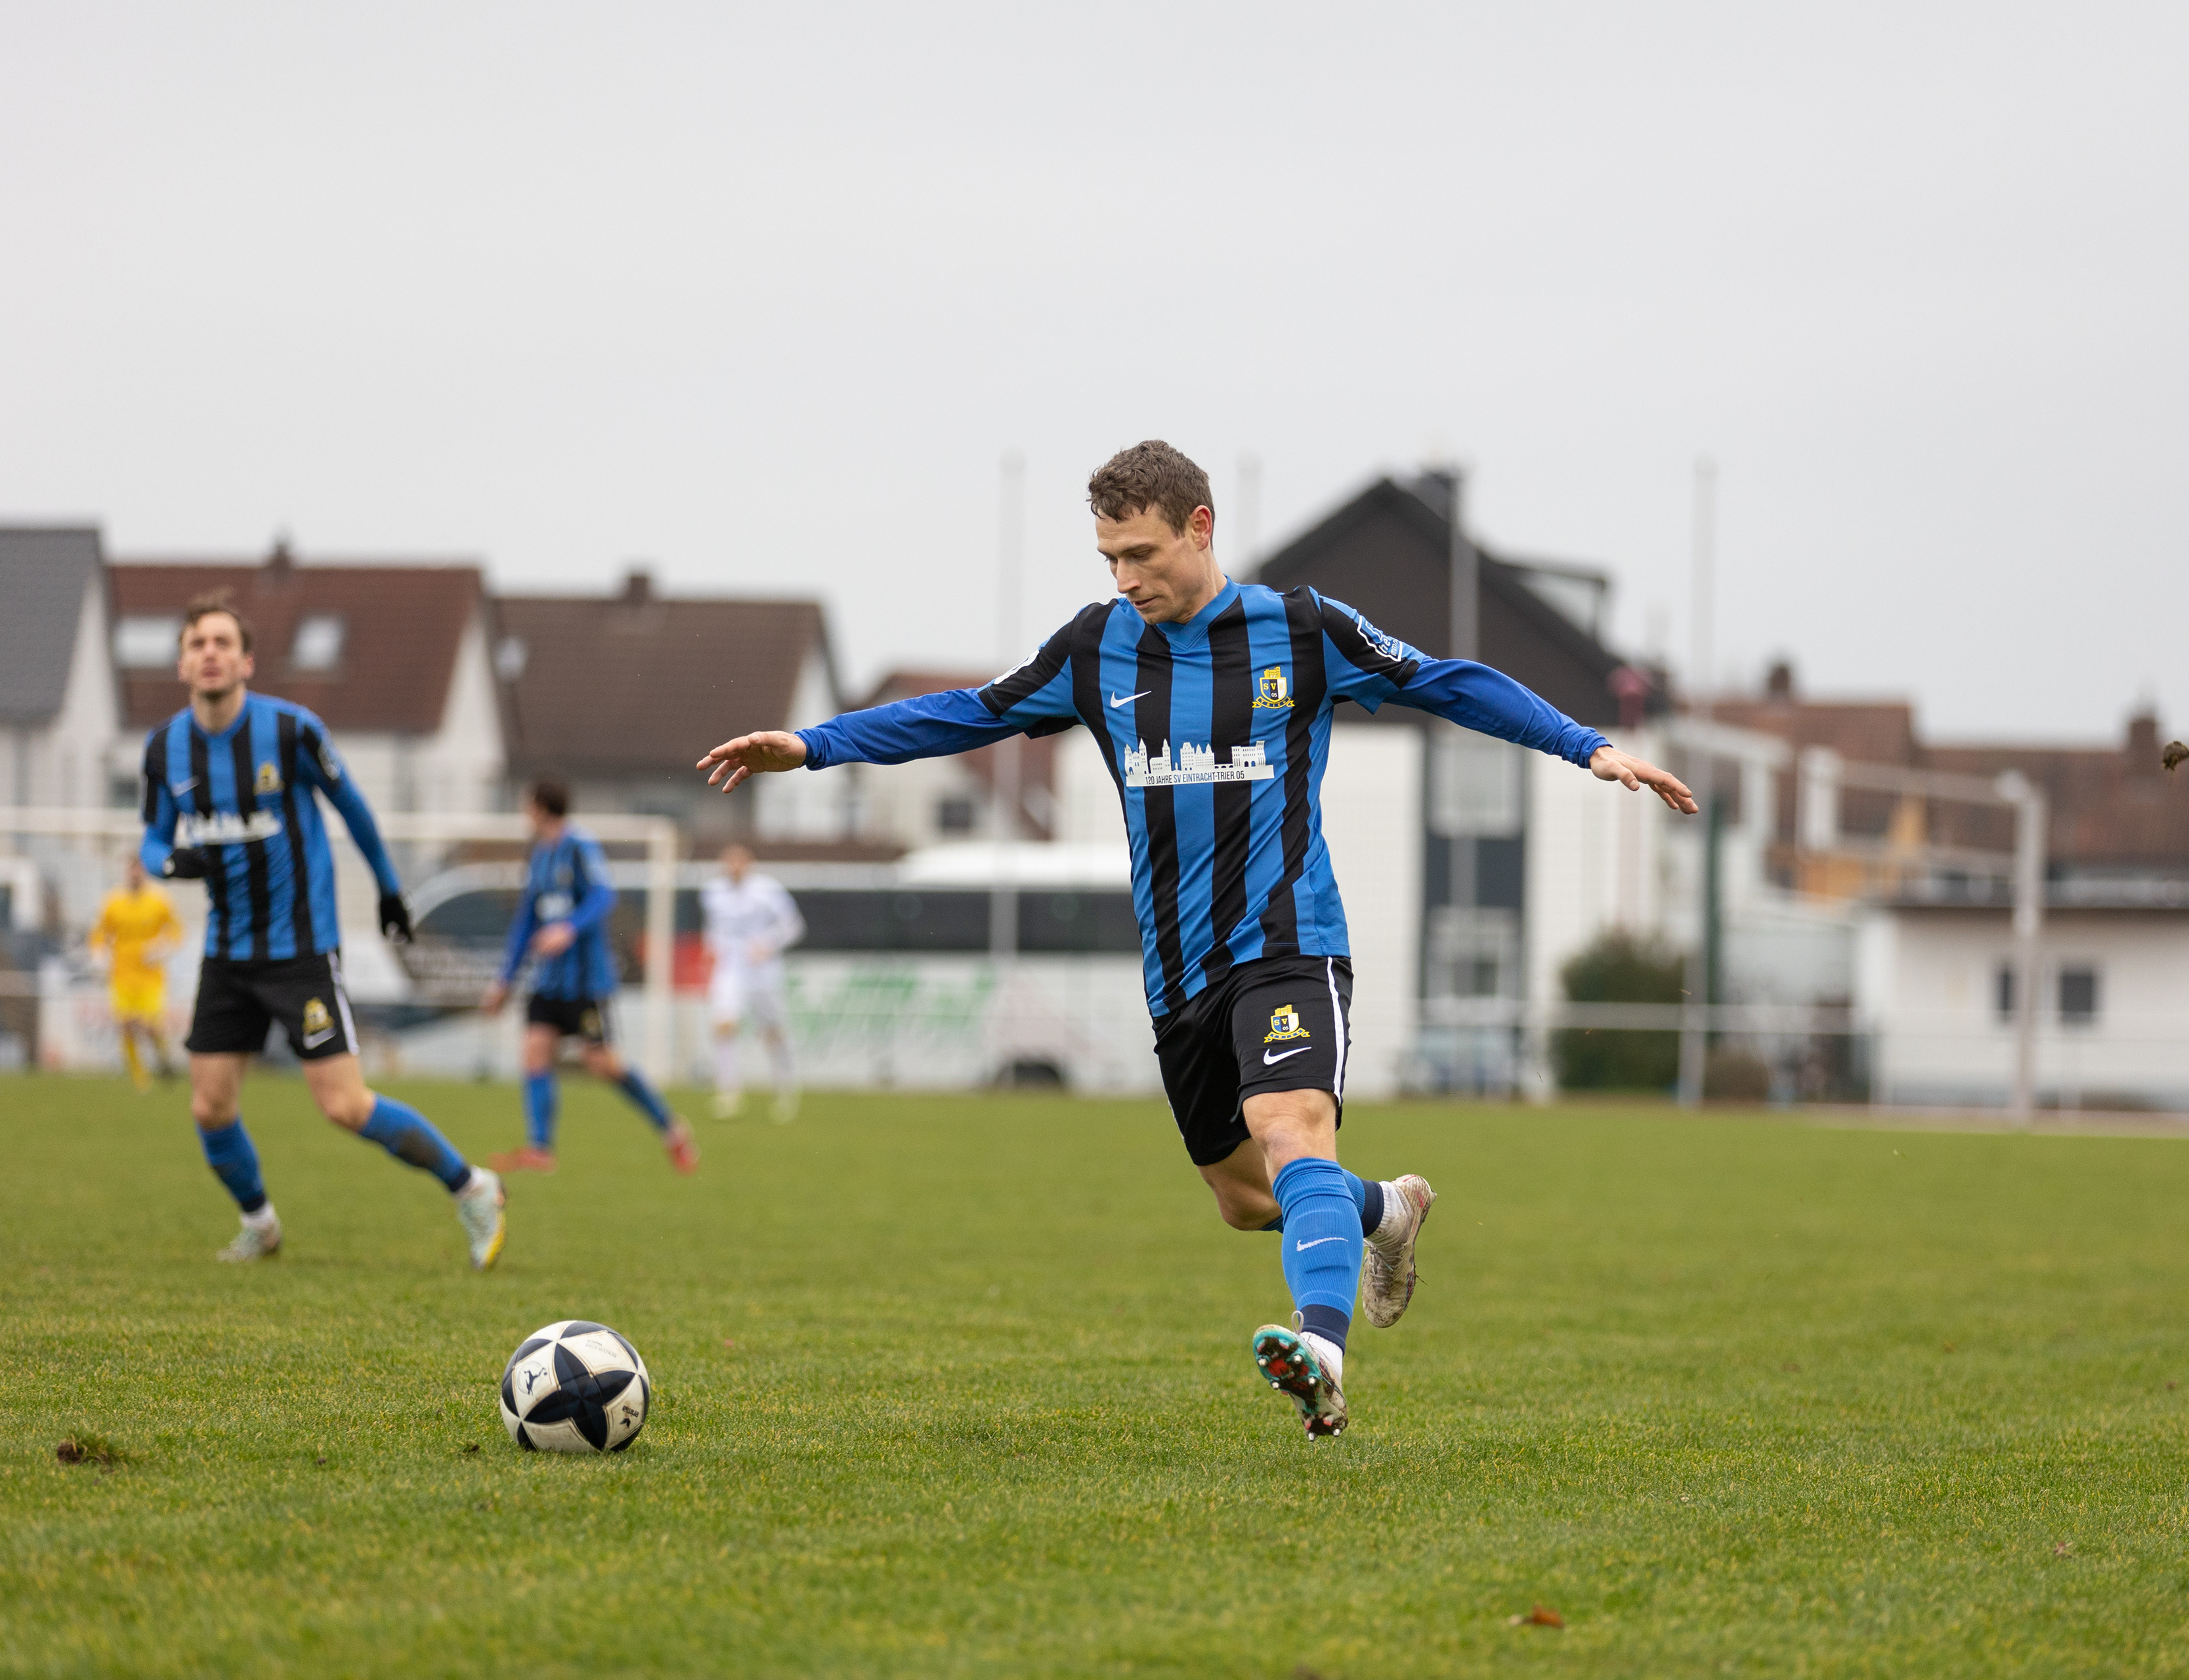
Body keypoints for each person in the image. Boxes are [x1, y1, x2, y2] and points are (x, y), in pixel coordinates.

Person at [700, 440, 1697, 1438]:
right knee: (1242, 1196)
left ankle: (1322, 1352)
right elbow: (970, 714)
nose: (1126, 579)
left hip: (1288, 941)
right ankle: (1384, 1212)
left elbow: (1447, 683)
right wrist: (813, 745)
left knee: (1291, 1129)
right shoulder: (1095, 652)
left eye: (1142, 553)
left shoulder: (1302, 632)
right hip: (1178, 974)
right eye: (1109, 560)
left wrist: (1592, 747)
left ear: (1200, 528)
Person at [139, 592, 505, 1267]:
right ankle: (262, 1224)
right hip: (227, 954)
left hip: (301, 951)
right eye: (198, 644)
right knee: (210, 1106)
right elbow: (152, 840)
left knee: (343, 1104)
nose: (210, 653)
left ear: (247, 660)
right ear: (183, 663)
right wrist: (170, 861)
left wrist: (391, 891)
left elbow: (354, 808)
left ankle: (474, 1186)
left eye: (223, 642)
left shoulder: (290, 731)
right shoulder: (166, 749)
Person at [482, 781, 700, 1175]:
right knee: (534, 1051)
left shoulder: (580, 847)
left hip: (584, 983)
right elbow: (526, 921)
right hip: (547, 981)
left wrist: (568, 927)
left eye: (526, 804)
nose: (523, 811)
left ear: (540, 807)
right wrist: (504, 980)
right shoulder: (537, 854)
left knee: (602, 1064)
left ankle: (671, 1128)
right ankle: (541, 1148)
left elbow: (604, 896)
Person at [700, 843, 805, 1122]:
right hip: (730, 970)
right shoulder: (712, 892)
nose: (733, 868)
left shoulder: (767, 890)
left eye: (739, 863)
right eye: (728, 863)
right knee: (724, 1024)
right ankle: (729, 1091)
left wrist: (768, 945)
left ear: (749, 864)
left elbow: (794, 926)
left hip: (763, 970)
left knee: (772, 1031)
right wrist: (710, 956)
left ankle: (785, 1088)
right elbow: (713, 929)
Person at [90, 852, 183, 1091]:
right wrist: (99, 955)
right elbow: (99, 934)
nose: (135, 873)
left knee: (151, 1025)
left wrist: (162, 948)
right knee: (126, 1025)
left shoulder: (159, 901)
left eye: (139, 869)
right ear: (126, 871)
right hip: (121, 975)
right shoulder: (112, 902)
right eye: (131, 868)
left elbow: (175, 931)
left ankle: (164, 1061)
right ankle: (140, 1079)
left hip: (151, 977)